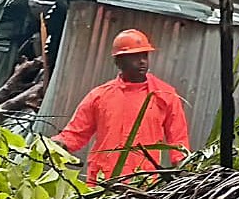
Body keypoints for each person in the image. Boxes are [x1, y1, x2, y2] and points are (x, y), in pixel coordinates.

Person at [53, 28, 190, 182]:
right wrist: (54, 146)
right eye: (135, 57)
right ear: (118, 62)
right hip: (102, 183)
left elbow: (178, 142)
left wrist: (184, 170)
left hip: (142, 184)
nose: (142, 61)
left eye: (144, 55)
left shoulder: (165, 95)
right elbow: (75, 134)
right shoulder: (99, 96)